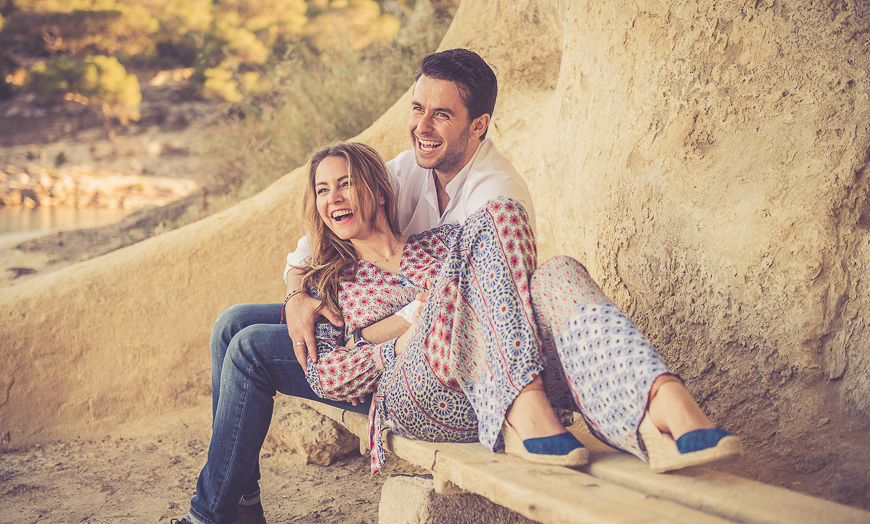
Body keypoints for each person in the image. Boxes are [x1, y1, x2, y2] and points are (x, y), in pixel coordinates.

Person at [116, 48, 535, 524]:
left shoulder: (495, 197)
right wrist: (298, 296)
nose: (421, 127)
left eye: (442, 115)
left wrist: (355, 337)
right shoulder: (411, 168)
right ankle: (239, 504)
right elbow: (316, 233)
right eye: (417, 108)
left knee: (249, 354)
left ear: (479, 125)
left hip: (431, 364)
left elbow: (457, 311)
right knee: (233, 323)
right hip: (368, 325)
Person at [298, 141, 742, 476]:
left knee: (554, 272)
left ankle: (656, 397)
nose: (333, 197)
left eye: (345, 183)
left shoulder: (439, 243)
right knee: (484, 244)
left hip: (490, 374)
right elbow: (325, 375)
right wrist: (399, 342)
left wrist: (427, 307)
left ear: (377, 191)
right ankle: (525, 401)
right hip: (419, 392)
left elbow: (503, 289)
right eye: (323, 190)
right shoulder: (327, 282)